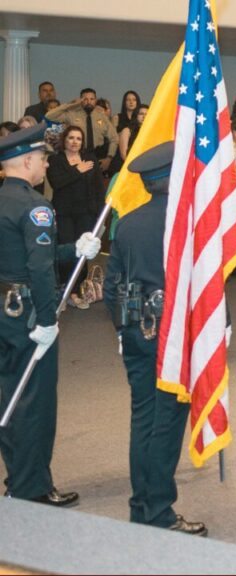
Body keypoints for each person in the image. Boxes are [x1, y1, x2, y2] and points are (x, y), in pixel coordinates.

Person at [101, 141, 207, 536]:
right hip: (173, 334)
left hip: (135, 331)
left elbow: (111, 289)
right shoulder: (188, 222)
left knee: (143, 419)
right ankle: (159, 512)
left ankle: (140, 504)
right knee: (166, 422)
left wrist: (123, 329)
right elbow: (205, 285)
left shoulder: (127, 222)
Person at [0, 123, 100, 506]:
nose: (45, 165)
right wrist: (46, 320)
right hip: (27, 314)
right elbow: (39, 271)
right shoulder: (35, 206)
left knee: (11, 394)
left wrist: (75, 248)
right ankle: (33, 488)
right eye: (42, 158)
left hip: (5, 309)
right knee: (36, 403)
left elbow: (24, 257)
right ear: (26, 160)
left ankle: (18, 478)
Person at [46, 125, 105, 305]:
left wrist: (98, 214)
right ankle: (64, 290)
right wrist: (77, 170)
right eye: (71, 138)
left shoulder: (90, 159)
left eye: (78, 138)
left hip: (86, 213)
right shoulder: (56, 160)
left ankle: (79, 290)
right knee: (66, 250)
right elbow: (57, 183)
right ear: (64, 140)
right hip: (64, 214)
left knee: (83, 252)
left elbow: (97, 188)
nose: (75, 142)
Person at [45, 88, 119, 171]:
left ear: (95, 100)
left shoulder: (101, 116)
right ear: (80, 100)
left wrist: (109, 158)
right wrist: (70, 104)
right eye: (85, 99)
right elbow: (49, 116)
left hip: (98, 156)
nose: (89, 102)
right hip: (76, 156)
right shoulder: (72, 114)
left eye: (92, 99)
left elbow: (114, 138)